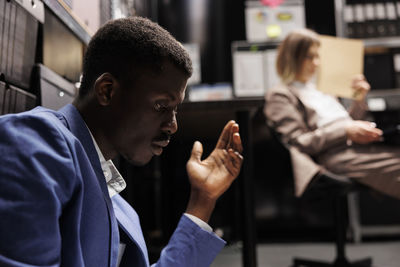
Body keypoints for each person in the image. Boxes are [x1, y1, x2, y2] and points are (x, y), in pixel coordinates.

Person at [0, 17, 243, 267]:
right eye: (161, 106)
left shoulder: (121, 207)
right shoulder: (35, 143)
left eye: (175, 110)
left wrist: (203, 199)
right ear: (107, 90)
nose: (173, 125)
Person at [264, 28, 400, 199]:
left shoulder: (320, 89)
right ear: (292, 58)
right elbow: (297, 143)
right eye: (309, 57)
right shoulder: (281, 95)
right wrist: (345, 131)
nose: (316, 63)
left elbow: (351, 122)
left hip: (359, 149)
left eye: (317, 56)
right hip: (336, 157)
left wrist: (359, 99)